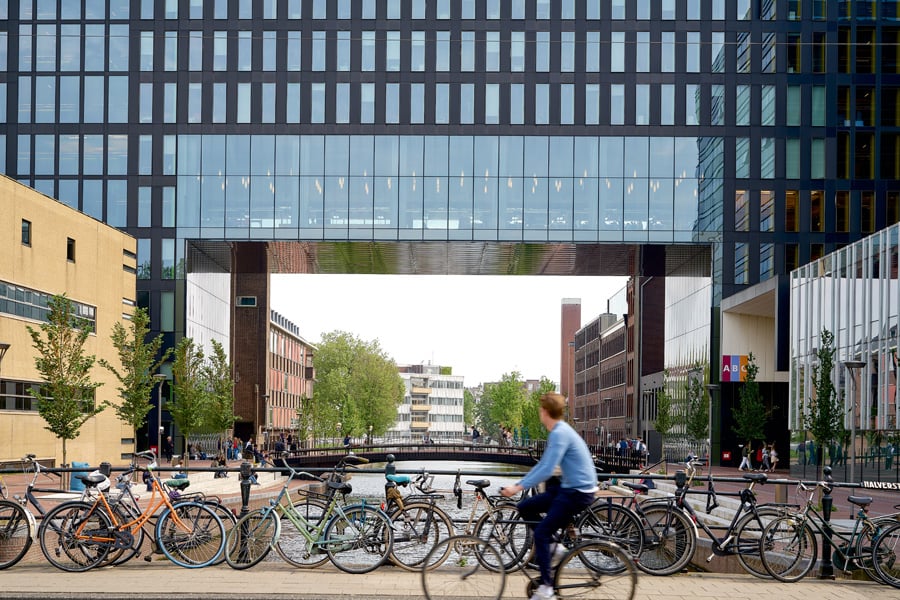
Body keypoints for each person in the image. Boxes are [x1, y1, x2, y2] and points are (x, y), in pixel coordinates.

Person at [500, 392, 598, 600]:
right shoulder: (559, 431)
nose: (539, 413)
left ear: (545, 411)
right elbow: (544, 465)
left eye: (540, 410)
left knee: (541, 533)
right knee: (525, 507)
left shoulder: (559, 433)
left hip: (577, 492)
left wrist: (516, 487)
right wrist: (520, 486)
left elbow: (545, 470)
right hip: (569, 488)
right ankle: (555, 546)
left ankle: (547, 588)